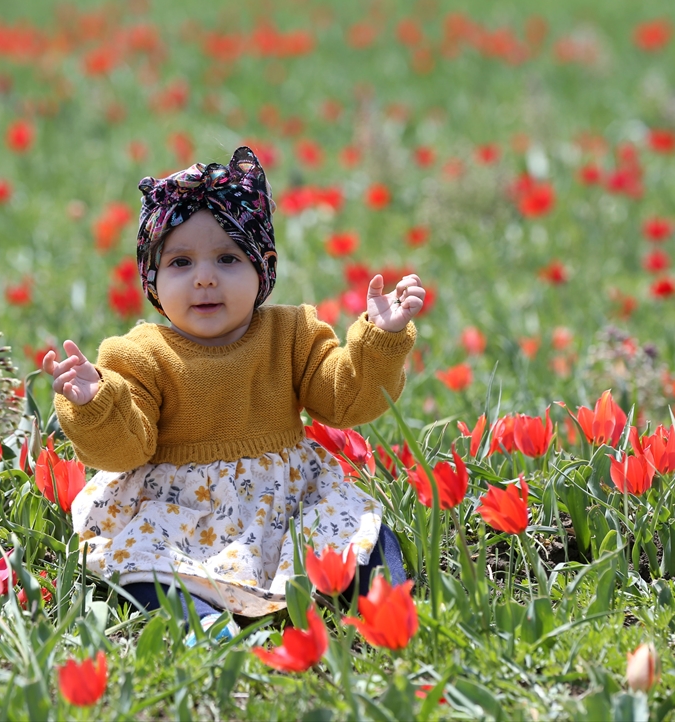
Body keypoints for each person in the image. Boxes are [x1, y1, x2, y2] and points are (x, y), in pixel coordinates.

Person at [42, 145, 425, 637]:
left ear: (262, 268)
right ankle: (205, 624)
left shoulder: (290, 334)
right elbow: (125, 448)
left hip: (287, 503)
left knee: (363, 532)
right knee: (146, 570)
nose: (204, 277)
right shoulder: (139, 354)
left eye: (227, 257)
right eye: (180, 262)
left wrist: (381, 340)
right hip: (182, 516)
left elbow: (345, 399)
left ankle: (385, 604)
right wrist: (94, 403)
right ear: (152, 279)